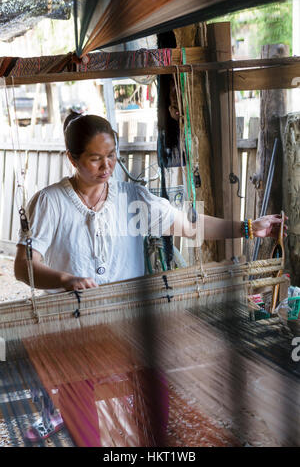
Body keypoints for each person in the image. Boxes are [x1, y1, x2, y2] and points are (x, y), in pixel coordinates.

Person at [14, 112, 286, 445]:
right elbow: (23, 266)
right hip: (73, 330)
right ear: (72, 158)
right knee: (77, 393)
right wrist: (66, 279)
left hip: (126, 326)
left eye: (112, 156)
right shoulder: (50, 203)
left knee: (156, 390)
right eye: (95, 159)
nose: (107, 166)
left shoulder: (131, 200)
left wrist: (246, 227)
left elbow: (188, 224)